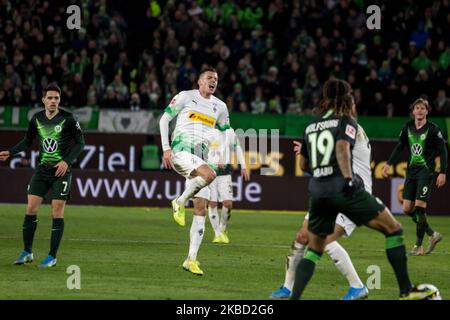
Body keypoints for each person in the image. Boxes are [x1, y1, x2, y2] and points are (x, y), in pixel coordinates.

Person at [290, 79, 437, 300]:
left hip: (319, 192)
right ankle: (403, 290)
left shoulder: (312, 126)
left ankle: (297, 296)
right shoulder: (348, 122)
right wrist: (349, 180)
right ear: (347, 99)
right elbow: (341, 148)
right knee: (393, 229)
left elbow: (303, 165)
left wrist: (314, 154)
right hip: (346, 189)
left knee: (314, 245)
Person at [271, 122, 372, 300]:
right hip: (331, 188)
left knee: (323, 238)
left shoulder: (350, 126)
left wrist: (309, 150)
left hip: (353, 190)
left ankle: (357, 286)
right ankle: (288, 287)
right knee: (302, 236)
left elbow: (337, 155)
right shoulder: (333, 126)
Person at [0, 83, 85, 268]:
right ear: (43, 100)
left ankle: (52, 256)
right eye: (50, 98)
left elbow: (80, 143)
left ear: (59, 100)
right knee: (30, 208)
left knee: (56, 210)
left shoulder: (68, 119)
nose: (53, 101)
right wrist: (11, 152)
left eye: (56, 98)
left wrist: (66, 161)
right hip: (42, 170)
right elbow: (28, 140)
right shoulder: (36, 118)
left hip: (61, 172)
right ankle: (27, 251)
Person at [159, 67, 230, 276]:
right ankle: (179, 201)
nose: (213, 81)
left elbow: (225, 132)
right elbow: (164, 119)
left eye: (216, 79)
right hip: (181, 151)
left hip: (201, 157)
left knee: (200, 209)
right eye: (209, 78)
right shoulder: (185, 97)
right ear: (199, 82)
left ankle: (191, 259)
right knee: (209, 176)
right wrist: (166, 148)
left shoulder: (221, 107)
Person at [382, 98, 447, 255]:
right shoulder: (407, 127)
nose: (419, 110)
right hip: (411, 172)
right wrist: (388, 163)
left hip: (426, 172)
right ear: (413, 111)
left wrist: (442, 172)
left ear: (426, 111)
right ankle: (432, 234)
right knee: (406, 208)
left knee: (419, 207)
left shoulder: (433, 129)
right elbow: (399, 147)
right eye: (417, 108)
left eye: (422, 108)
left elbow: (443, 150)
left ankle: (418, 246)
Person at [207, 127, 250, 244]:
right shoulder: (207, 129)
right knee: (212, 203)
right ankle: (217, 234)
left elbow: (238, 148)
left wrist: (244, 166)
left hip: (225, 173)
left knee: (228, 203)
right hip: (209, 172)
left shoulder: (230, 131)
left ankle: (222, 228)